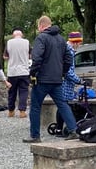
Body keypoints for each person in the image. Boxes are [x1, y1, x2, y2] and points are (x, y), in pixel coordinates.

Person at [23, 15, 79, 143]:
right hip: (57, 79)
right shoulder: (61, 39)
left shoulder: (41, 38)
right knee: (62, 104)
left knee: (36, 107)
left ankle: (35, 135)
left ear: (41, 26)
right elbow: (69, 59)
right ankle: (73, 130)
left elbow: (36, 58)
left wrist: (33, 73)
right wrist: (62, 72)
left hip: (42, 79)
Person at [55, 32, 83, 133]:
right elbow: (68, 71)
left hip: (60, 81)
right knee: (63, 105)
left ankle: (59, 127)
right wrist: (79, 80)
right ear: (75, 43)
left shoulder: (63, 48)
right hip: (65, 83)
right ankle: (63, 128)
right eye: (79, 43)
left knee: (62, 104)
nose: (79, 45)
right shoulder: (69, 52)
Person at [4, 29, 31, 118]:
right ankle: (22, 111)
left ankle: (11, 111)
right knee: (23, 92)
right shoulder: (26, 42)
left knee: (12, 92)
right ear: (21, 35)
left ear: (13, 35)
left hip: (12, 72)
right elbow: (31, 55)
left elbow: (5, 56)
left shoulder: (9, 43)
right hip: (24, 71)